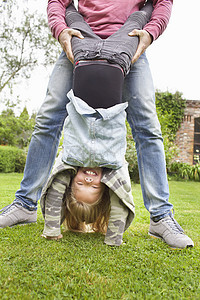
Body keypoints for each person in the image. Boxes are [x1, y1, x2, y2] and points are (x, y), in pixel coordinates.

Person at [0, 0, 194, 249]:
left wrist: (151, 32)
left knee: (147, 128)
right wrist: (60, 29)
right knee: (48, 119)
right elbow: (60, 2)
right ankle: (25, 204)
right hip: (78, 42)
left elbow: (161, 2)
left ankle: (160, 216)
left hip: (131, 43)